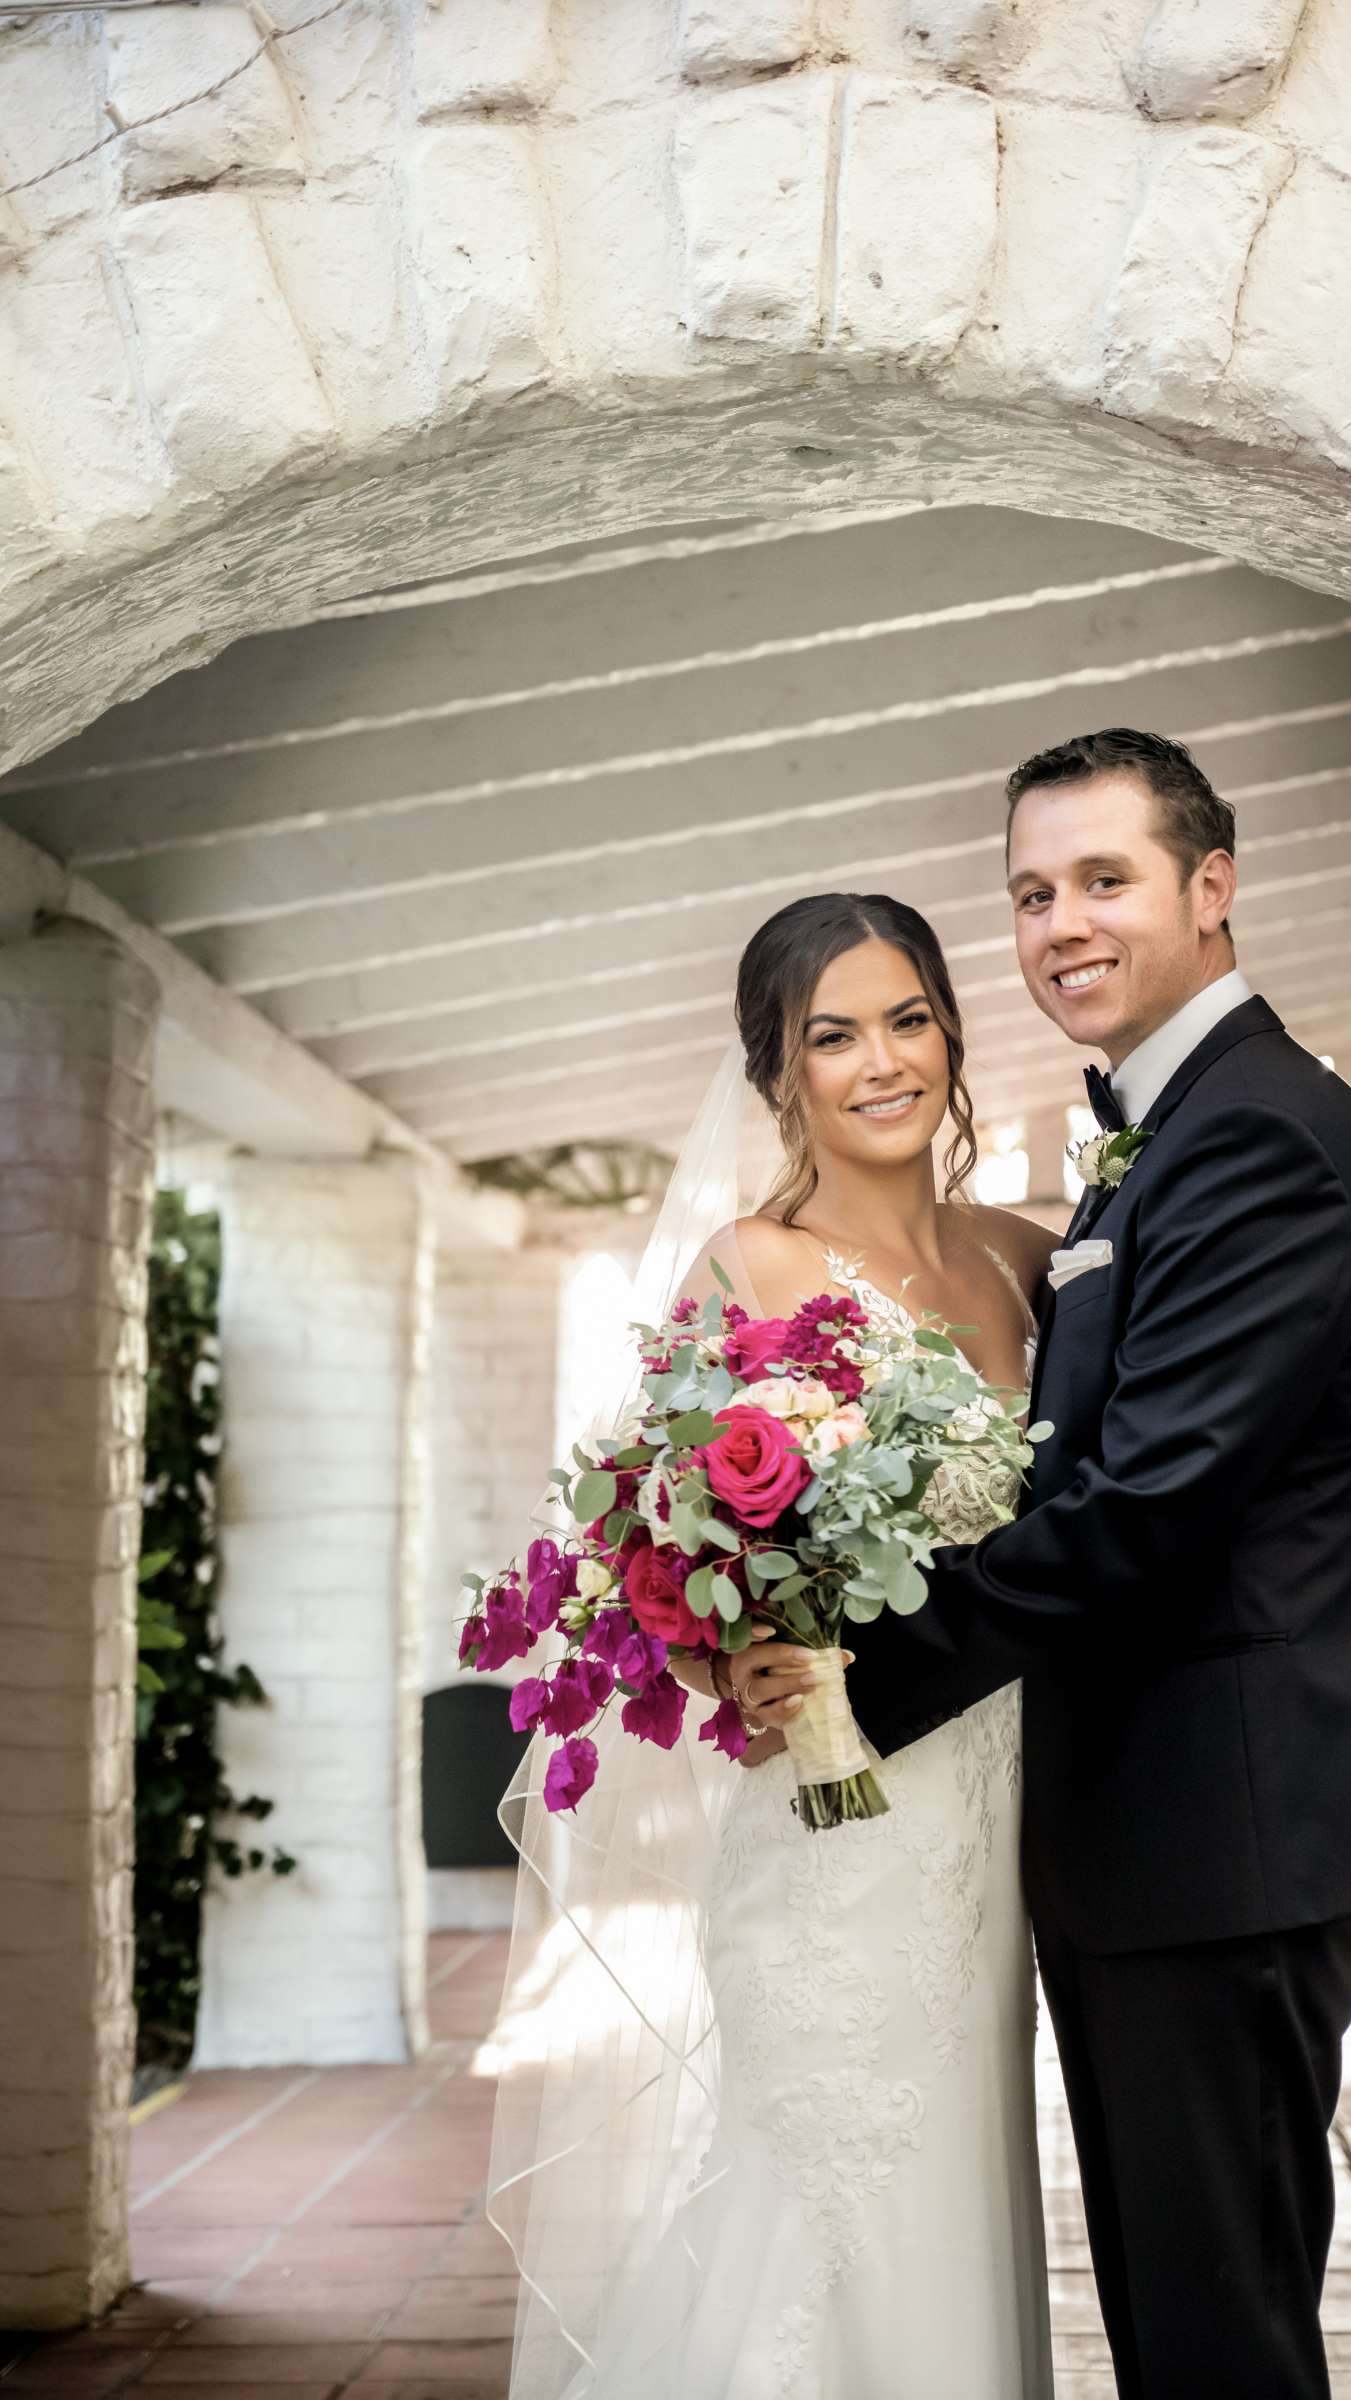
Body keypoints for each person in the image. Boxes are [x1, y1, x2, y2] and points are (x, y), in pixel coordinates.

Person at [726, 730, 1351, 2400]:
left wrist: (864, 1681)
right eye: (1033, 893)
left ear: (1213, 887)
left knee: (1215, 2335)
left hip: (1229, 1826)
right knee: (1184, 2314)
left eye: (1104, 879)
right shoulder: (1167, 1127)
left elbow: (1146, 1505)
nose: (1063, 924)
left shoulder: (1257, 1137)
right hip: (1170, 1829)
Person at [513, 890, 1060, 2399]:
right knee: (830, 2202)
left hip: (999, 1822)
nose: (882, 1061)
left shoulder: (1034, 1258)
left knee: (961, 2189)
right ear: (779, 1074)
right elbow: (643, 1549)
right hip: (833, 1835)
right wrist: (721, 1664)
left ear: (953, 1032)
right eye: (834, 1035)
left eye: (909, 1018)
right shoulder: (749, 1266)